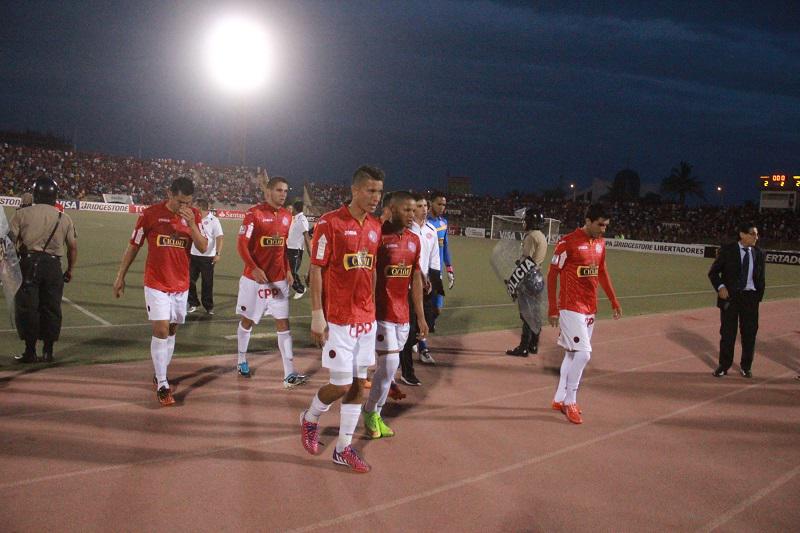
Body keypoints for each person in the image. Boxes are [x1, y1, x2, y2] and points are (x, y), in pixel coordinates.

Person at [300, 165, 384, 473]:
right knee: (340, 383)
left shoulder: (375, 227)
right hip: (338, 320)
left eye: (379, 191)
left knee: (358, 385)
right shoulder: (329, 223)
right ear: (355, 190)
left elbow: (371, 269)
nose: (376, 197)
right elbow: (316, 269)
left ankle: (343, 448)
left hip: (366, 319)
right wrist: (317, 315)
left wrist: (372, 306)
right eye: (370, 191)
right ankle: (309, 419)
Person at [113, 177, 207, 406]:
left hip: (181, 285)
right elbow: (134, 245)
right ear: (169, 193)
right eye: (179, 201)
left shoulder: (192, 215)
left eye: (187, 202)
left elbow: (203, 246)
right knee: (161, 329)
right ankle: (163, 384)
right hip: (156, 283)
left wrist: (192, 225)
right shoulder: (150, 215)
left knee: (172, 329)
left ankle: (160, 371)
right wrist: (120, 275)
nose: (182, 206)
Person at [547, 204, 622, 424]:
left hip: (590, 307)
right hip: (571, 307)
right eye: (600, 224)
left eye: (606, 225)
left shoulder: (600, 243)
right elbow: (552, 275)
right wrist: (553, 308)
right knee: (584, 354)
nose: (603, 229)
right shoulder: (567, 242)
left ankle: (559, 398)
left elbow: (602, 271)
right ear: (588, 221)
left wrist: (613, 299)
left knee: (571, 355)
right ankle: (570, 401)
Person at [363, 191, 427, 438]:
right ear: (391, 209)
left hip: (403, 315)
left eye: (414, 210)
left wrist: (420, 316)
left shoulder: (414, 240)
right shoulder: (378, 236)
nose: (412, 215)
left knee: (390, 367)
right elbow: (369, 273)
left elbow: (415, 280)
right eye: (406, 210)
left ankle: (375, 414)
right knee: (390, 364)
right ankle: (370, 412)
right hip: (380, 312)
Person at [234, 176, 308, 387]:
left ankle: (289, 374)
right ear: (267, 192)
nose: (283, 194)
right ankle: (241, 360)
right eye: (278, 190)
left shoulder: (287, 216)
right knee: (248, 322)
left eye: (285, 190)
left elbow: (282, 248)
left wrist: (287, 269)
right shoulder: (254, 214)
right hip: (254, 281)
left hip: (278, 282)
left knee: (284, 325)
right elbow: (242, 244)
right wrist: (254, 268)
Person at [9, 178, 77, 363]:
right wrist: (70, 269)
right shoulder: (64, 217)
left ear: (36, 194)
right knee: (51, 308)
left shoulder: (22, 214)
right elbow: (72, 247)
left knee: (28, 308)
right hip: (54, 266)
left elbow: (8, 243)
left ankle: (30, 351)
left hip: (28, 265)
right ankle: (48, 351)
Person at [707, 222, 765, 378]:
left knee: (749, 334)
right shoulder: (728, 251)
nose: (756, 237)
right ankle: (724, 366)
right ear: (742, 234)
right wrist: (720, 287)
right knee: (728, 334)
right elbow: (713, 273)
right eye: (753, 234)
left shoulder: (759, 253)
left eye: (757, 234)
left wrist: (757, 297)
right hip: (731, 298)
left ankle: (746, 366)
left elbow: (761, 278)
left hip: (750, 299)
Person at [399, 193, 440, 385]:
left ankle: (400, 353)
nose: (424, 209)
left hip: (424, 285)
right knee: (409, 328)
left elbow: (434, 259)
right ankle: (407, 370)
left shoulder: (431, 231)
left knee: (428, 322)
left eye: (425, 205)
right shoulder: (407, 231)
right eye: (420, 206)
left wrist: (432, 281)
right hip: (406, 284)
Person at [506, 208, 548, 356]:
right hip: (538, 276)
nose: (524, 222)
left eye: (526, 220)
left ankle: (523, 347)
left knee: (526, 314)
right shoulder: (542, 236)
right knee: (535, 313)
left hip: (528, 277)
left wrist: (514, 280)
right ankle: (534, 345)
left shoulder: (530, 237)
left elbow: (528, 262)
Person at [424, 191, 453, 352]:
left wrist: (450, 268)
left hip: (438, 273)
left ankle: (420, 333)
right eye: (439, 204)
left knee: (437, 309)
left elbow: (446, 247)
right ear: (431, 203)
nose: (442, 207)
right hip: (424, 274)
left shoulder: (443, 223)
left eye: (444, 204)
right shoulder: (423, 223)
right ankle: (422, 346)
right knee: (425, 309)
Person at [187, 199, 224, 315]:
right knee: (189, 281)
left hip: (208, 257)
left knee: (207, 283)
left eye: (194, 207)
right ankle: (193, 303)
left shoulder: (214, 220)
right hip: (193, 254)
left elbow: (219, 238)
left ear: (200, 208)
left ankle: (208, 306)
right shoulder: (192, 219)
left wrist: (218, 254)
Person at [286, 200, 312, 299]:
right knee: (286, 270)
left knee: (292, 271)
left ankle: (300, 289)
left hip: (296, 250)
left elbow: (306, 236)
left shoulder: (302, 219)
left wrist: (311, 253)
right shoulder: (295, 218)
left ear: (295, 209)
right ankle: (286, 289)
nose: (291, 210)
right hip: (289, 248)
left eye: (292, 208)